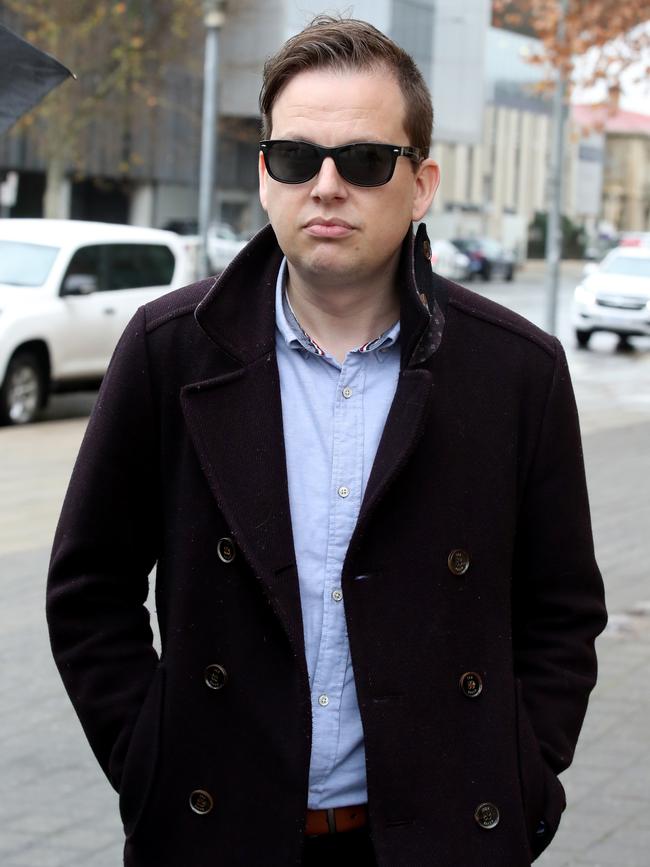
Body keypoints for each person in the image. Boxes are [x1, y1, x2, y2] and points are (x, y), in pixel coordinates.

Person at [46, 15, 607, 867]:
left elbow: (561, 609)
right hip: (217, 830)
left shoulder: (517, 370)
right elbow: (89, 590)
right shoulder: (168, 350)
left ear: (420, 185)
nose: (327, 185)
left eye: (366, 160)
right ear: (266, 174)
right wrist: (148, 755)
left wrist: (522, 774)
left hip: (438, 837)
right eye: (297, 157)